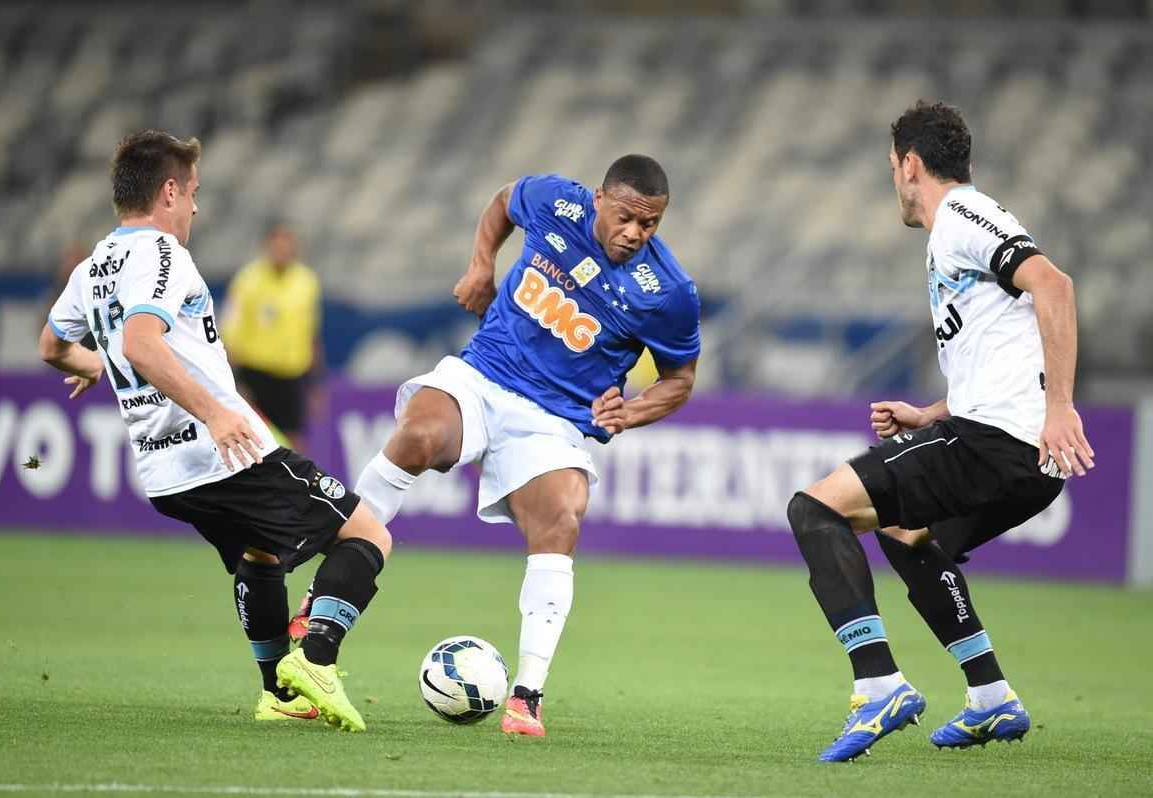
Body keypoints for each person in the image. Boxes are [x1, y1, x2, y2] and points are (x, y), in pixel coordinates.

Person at [38, 129, 389, 732]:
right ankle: (316, 661)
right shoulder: (163, 255)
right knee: (368, 534)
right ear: (169, 192)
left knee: (261, 553)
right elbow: (141, 344)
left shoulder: (94, 266)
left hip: (163, 472)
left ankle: (279, 694)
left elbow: (51, 345)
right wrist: (217, 412)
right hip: (220, 452)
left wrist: (95, 365)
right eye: (193, 192)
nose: (196, 207)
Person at [346, 155, 700, 737]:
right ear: (598, 199)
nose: (635, 233)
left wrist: (630, 412)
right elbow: (502, 201)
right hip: (485, 375)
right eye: (626, 217)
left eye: (650, 223)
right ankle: (323, 607)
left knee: (563, 517)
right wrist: (481, 263)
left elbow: (679, 379)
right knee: (416, 436)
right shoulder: (554, 200)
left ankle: (527, 696)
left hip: (553, 420)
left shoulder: (668, 292)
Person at [784, 101, 1095, 762]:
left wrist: (1062, 407)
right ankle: (991, 696)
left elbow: (1055, 287)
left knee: (815, 510)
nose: (894, 181)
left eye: (892, 167)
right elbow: (1004, 352)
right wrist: (931, 415)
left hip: (1001, 444)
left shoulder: (962, 215)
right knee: (904, 532)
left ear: (909, 164)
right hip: (1017, 453)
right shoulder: (957, 232)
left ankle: (878, 685)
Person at [221, 222, 322, 452]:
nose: (282, 251)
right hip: (256, 373)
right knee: (253, 437)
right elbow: (230, 331)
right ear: (267, 247)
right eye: (277, 246)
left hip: (292, 375)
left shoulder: (306, 281)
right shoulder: (247, 280)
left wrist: (315, 384)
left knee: (293, 442)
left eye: (287, 246)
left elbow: (311, 334)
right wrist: (234, 379)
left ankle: (291, 477)